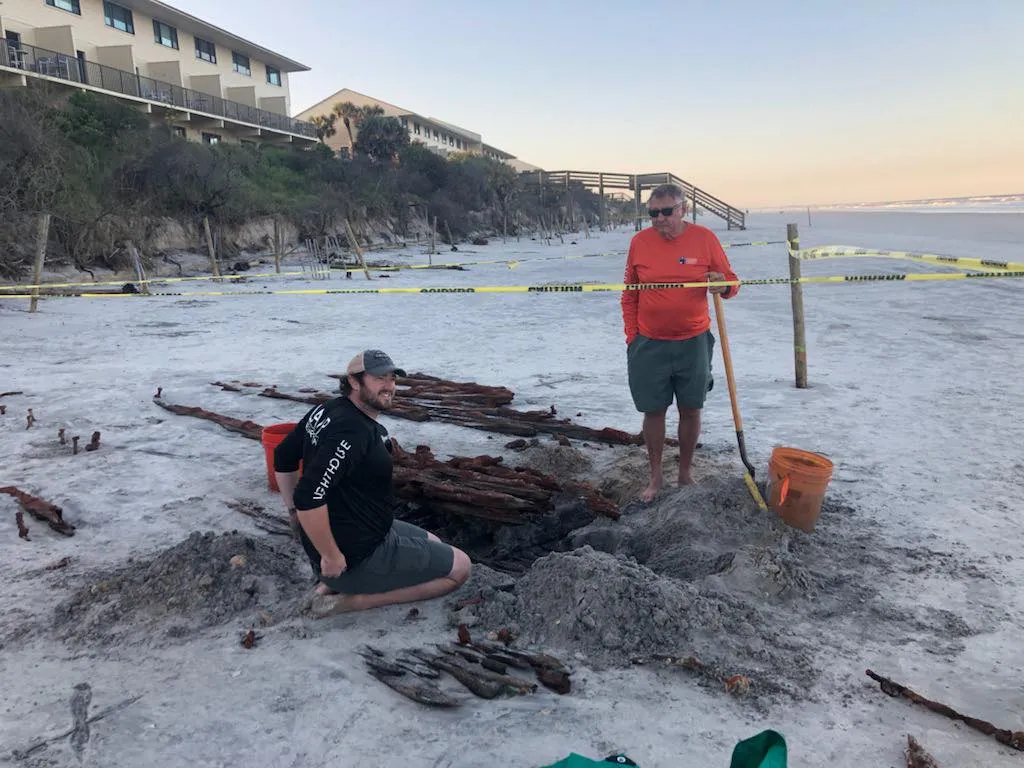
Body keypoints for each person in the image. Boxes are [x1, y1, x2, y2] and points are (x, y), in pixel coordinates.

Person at [273, 349, 471, 615]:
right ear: (354, 382)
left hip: (366, 529)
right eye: (379, 378)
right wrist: (331, 556)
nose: (389, 386)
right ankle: (352, 601)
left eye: (392, 378)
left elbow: (283, 455)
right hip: (354, 556)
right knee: (461, 568)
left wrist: (293, 515)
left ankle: (332, 584)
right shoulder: (352, 431)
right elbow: (309, 496)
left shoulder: (328, 409)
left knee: (436, 543)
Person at [621, 184, 740, 501]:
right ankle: (656, 476)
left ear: (683, 209)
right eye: (653, 213)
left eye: (666, 212)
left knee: (691, 408)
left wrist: (723, 285)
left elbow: (731, 282)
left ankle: (685, 474)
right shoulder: (639, 243)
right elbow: (629, 294)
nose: (659, 219)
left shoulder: (704, 239)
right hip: (648, 344)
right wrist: (633, 337)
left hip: (694, 342)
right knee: (653, 411)